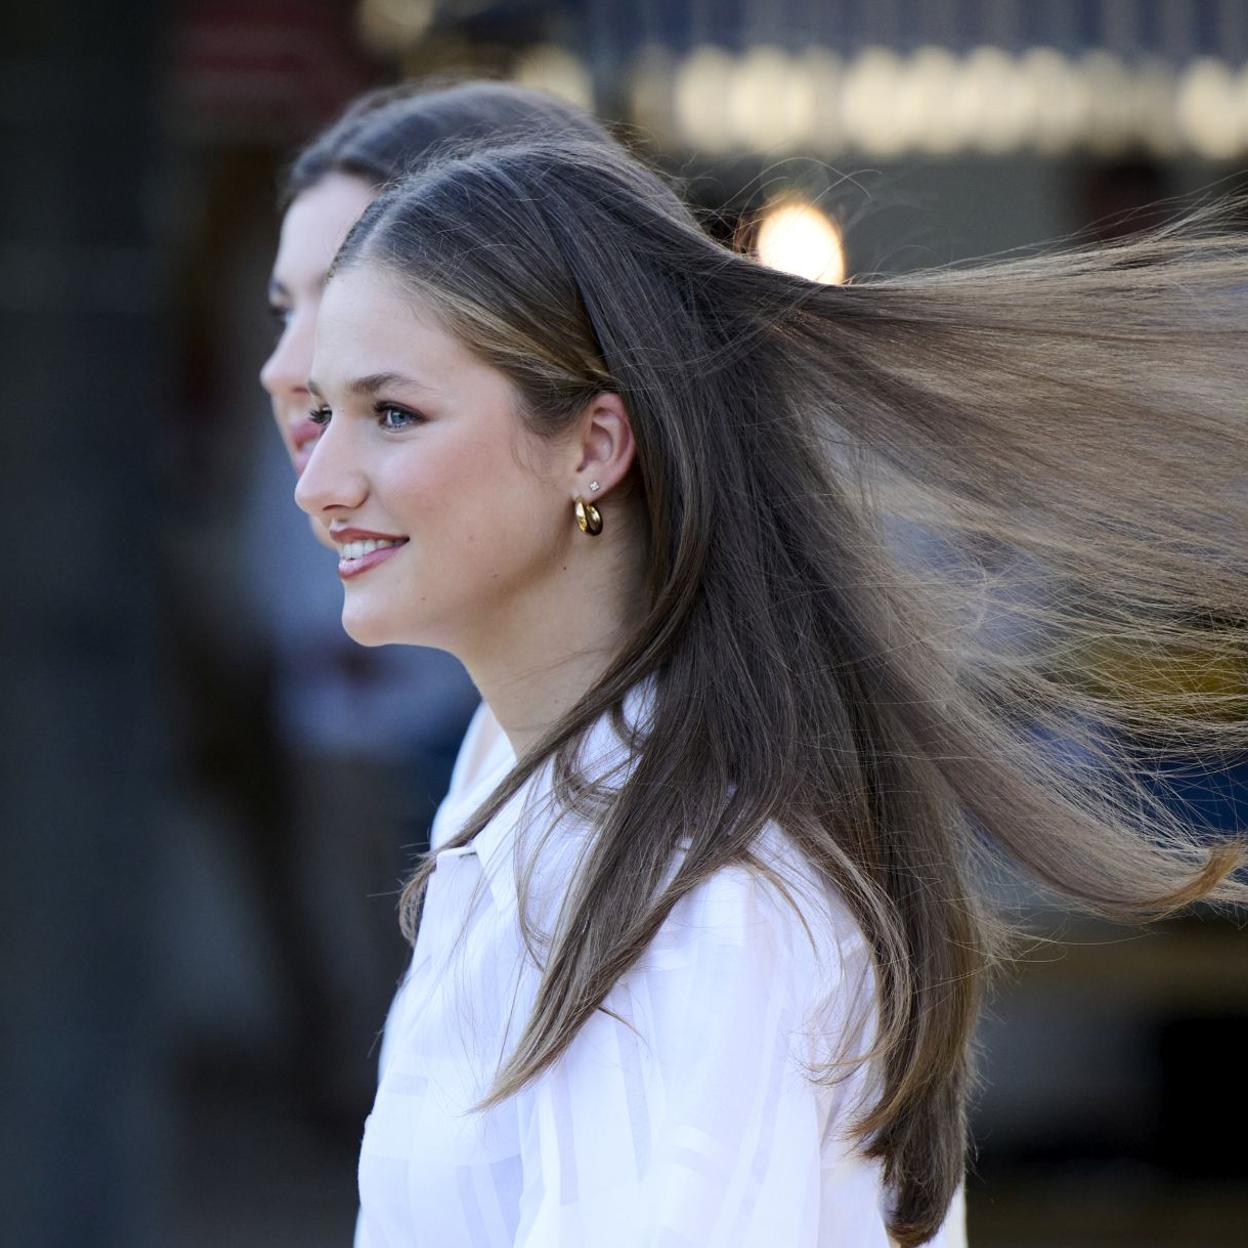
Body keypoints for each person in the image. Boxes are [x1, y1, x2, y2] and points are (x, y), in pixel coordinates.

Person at [295, 129, 1248, 1247]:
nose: (321, 481)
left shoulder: (703, 901)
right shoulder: (524, 776)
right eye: (322, 412)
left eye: (392, 413)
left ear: (595, 446)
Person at [249, 82, 617, 1118]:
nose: (292, 367)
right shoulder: (512, 758)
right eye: (287, 309)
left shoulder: (686, 861)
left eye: (397, 407)